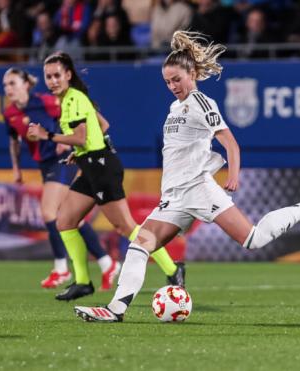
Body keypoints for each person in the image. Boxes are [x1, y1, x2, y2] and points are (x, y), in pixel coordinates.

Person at [73, 30, 300, 322]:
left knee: (253, 240)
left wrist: (233, 175)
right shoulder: (175, 107)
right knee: (140, 244)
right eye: (167, 82)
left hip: (200, 190)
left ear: (191, 73)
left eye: (177, 80)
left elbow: (230, 142)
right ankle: (115, 310)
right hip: (175, 197)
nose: (172, 86)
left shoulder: (202, 103)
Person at [27, 52, 185, 301]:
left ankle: (173, 269)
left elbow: (80, 136)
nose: (53, 80)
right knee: (64, 221)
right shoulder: (71, 99)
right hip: (90, 165)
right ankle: (82, 282)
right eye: (48, 76)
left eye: (57, 75)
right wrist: (79, 152)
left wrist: (47, 135)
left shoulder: (74, 99)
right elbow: (102, 125)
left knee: (125, 226)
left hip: (101, 167)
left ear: (68, 75)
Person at [3, 67, 120, 291]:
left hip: (64, 159)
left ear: (26, 84)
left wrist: (65, 141)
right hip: (44, 164)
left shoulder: (46, 102)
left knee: (49, 212)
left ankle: (61, 268)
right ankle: (107, 263)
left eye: (12, 83)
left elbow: (74, 116)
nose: (8, 88)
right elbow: (14, 142)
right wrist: (16, 168)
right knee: (71, 217)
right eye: (6, 85)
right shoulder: (10, 114)